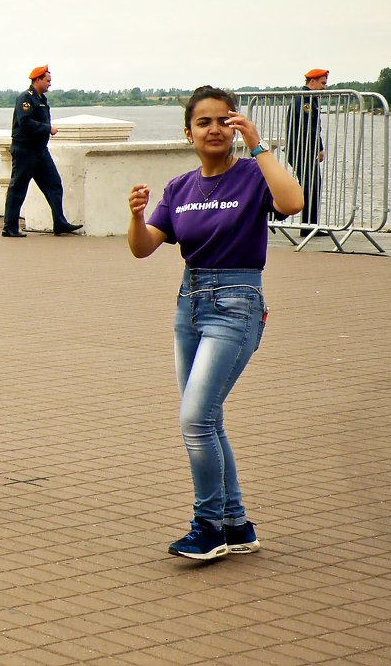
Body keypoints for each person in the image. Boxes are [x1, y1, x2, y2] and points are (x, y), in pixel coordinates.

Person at [126, 86, 304, 560]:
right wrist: (137, 217)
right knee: (207, 418)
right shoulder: (180, 188)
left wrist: (260, 146)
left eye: (223, 120)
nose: (214, 129)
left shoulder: (251, 174)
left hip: (237, 302)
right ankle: (236, 524)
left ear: (235, 126)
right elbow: (144, 247)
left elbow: (292, 204)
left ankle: (208, 525)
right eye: (203, 122)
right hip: (190, 303)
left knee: (195, 418)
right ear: (188, 133)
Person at [3, 65, 82, 237]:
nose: (50, 84)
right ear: (37, 79)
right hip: (25, 150)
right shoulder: (26, 98)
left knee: (54, 184)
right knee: (18, 189)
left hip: (40, 151)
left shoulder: (42, 99)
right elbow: (25, 122)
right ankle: (9, 227)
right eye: (47, 80)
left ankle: (60, 223)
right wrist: (48, 129)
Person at [285, 68, 328, 235]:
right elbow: (309, 128)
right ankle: (308, 227)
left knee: (312, 186)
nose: (325, 87)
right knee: (312, 186)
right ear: (312, 81)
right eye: (322, 83)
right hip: (301, 150)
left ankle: (309, 225)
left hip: (302, 150)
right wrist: (318, 148)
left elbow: (313, 127)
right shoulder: (305, 100)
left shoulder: (308, 98)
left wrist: (319, 147)